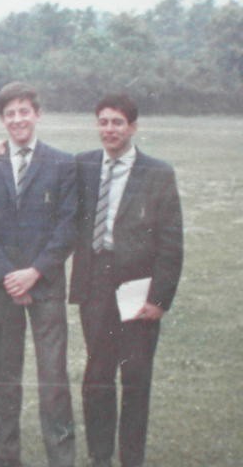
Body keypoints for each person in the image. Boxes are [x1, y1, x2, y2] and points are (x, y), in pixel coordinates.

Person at [69, 94, 183, 467]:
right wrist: (0, 150)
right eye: (103, 122)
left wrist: (159, 299)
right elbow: (45, 175)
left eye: (117, 122)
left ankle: (132, 458)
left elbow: (171, 242)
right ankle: (100, 456)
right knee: (97, 375)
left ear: (133, 127)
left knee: (135, 376)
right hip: (95, 283)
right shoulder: (83, 164)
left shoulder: (157, 172)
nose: (110, 129)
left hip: (137, 285)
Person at [0, 82, 76, 467]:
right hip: (1, 288)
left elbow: (67, 227)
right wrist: (7, 275)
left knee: (53, 378)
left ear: (37, 114)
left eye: (24, 111)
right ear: (2, 119)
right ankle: (4, 456)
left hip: (45, 286)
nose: (18, 119)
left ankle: (61, 459)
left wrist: (34, 272)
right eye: (10, 113)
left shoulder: (62, 164)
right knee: (1, 377)